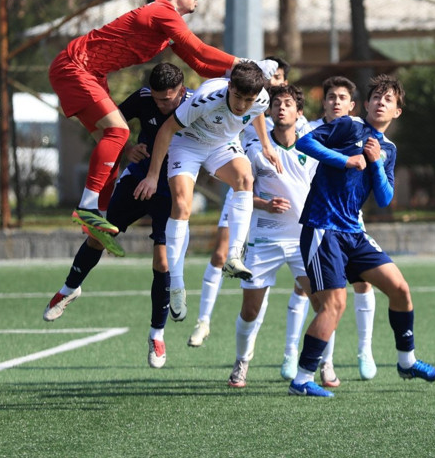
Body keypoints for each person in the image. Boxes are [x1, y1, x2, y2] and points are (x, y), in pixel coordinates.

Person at [49, 0, 277, 256]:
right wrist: (247, 63)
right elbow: (199, 49)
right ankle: (87, 207)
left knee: (116, 146)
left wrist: (240, 77)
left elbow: (198, 64)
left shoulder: (166, 25)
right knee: (118, 132)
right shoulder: (162, 11)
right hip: (75, 67)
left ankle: (97, 218)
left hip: (91, 73)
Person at [289, 74, 435, 397]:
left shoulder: (387, 148)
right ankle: (302, 379)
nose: (380, 102)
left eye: (388, 99)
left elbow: (386, 198)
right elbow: (303, 142)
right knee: (334, 304)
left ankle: (406, 362)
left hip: (353, 232)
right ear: (366, 103)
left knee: (400, 289)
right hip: (323, 228)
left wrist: (374, 163)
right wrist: (345, 160)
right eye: (376, 97)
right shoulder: (349, 126)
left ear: (397, 112)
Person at [42, 62, 191, 369]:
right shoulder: (143, 97)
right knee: (99, 235)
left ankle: (156, 334)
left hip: (171, 187)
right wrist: (126, 150)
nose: (163, 105)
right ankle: (69, 289)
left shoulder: (195, 106)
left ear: (183, 90)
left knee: (162, 260)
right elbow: (110, 128)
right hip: (138, 178)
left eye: (169, 100)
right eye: (159, 100)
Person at [135, 61, 281, 325]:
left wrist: (267, 145)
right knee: (182, 206)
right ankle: (176, 283)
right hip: (188, 143)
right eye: (237, 96)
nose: (241, 105)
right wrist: (153, 175)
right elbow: (167, 130)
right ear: (229, 87)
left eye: (248, 99)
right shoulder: (207, 98)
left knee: (245, 178)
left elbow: (257, 111)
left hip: (221, 144)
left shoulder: (258, 98)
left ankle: (234, 256)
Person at [187, 57, 300, 348]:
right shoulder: (251, 100)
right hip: (242, 189)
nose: (275, 81)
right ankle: (203, 320)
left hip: (274, 209)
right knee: (221, 254)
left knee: (295, 279)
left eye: (279, 77)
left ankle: (298, 353)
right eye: (270, 76)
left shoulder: (286, 113)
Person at [281, 76, 378, 384]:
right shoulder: (309, 133)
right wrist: (344, 161)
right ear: (323, 102)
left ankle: (365, 352)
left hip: (350, 223)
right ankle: (305, 360)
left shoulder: (359, 131)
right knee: (318, 294)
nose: (336, 101)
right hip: (319, 223)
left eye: (342, 97)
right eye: (331, 97)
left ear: (352, 105)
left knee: (363, 284)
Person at [226, 84, 319, 388]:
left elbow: (322, 193)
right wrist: (264, 204)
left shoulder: (312, 150)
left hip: (302, 241)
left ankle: (320, 365)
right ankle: (242, 361)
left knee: (324, 305)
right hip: (264, 240)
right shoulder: (255, 151)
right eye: (276, 103)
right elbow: (239, 193)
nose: (281, 107)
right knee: (250, 311)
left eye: (288, 103)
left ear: (299, 113)